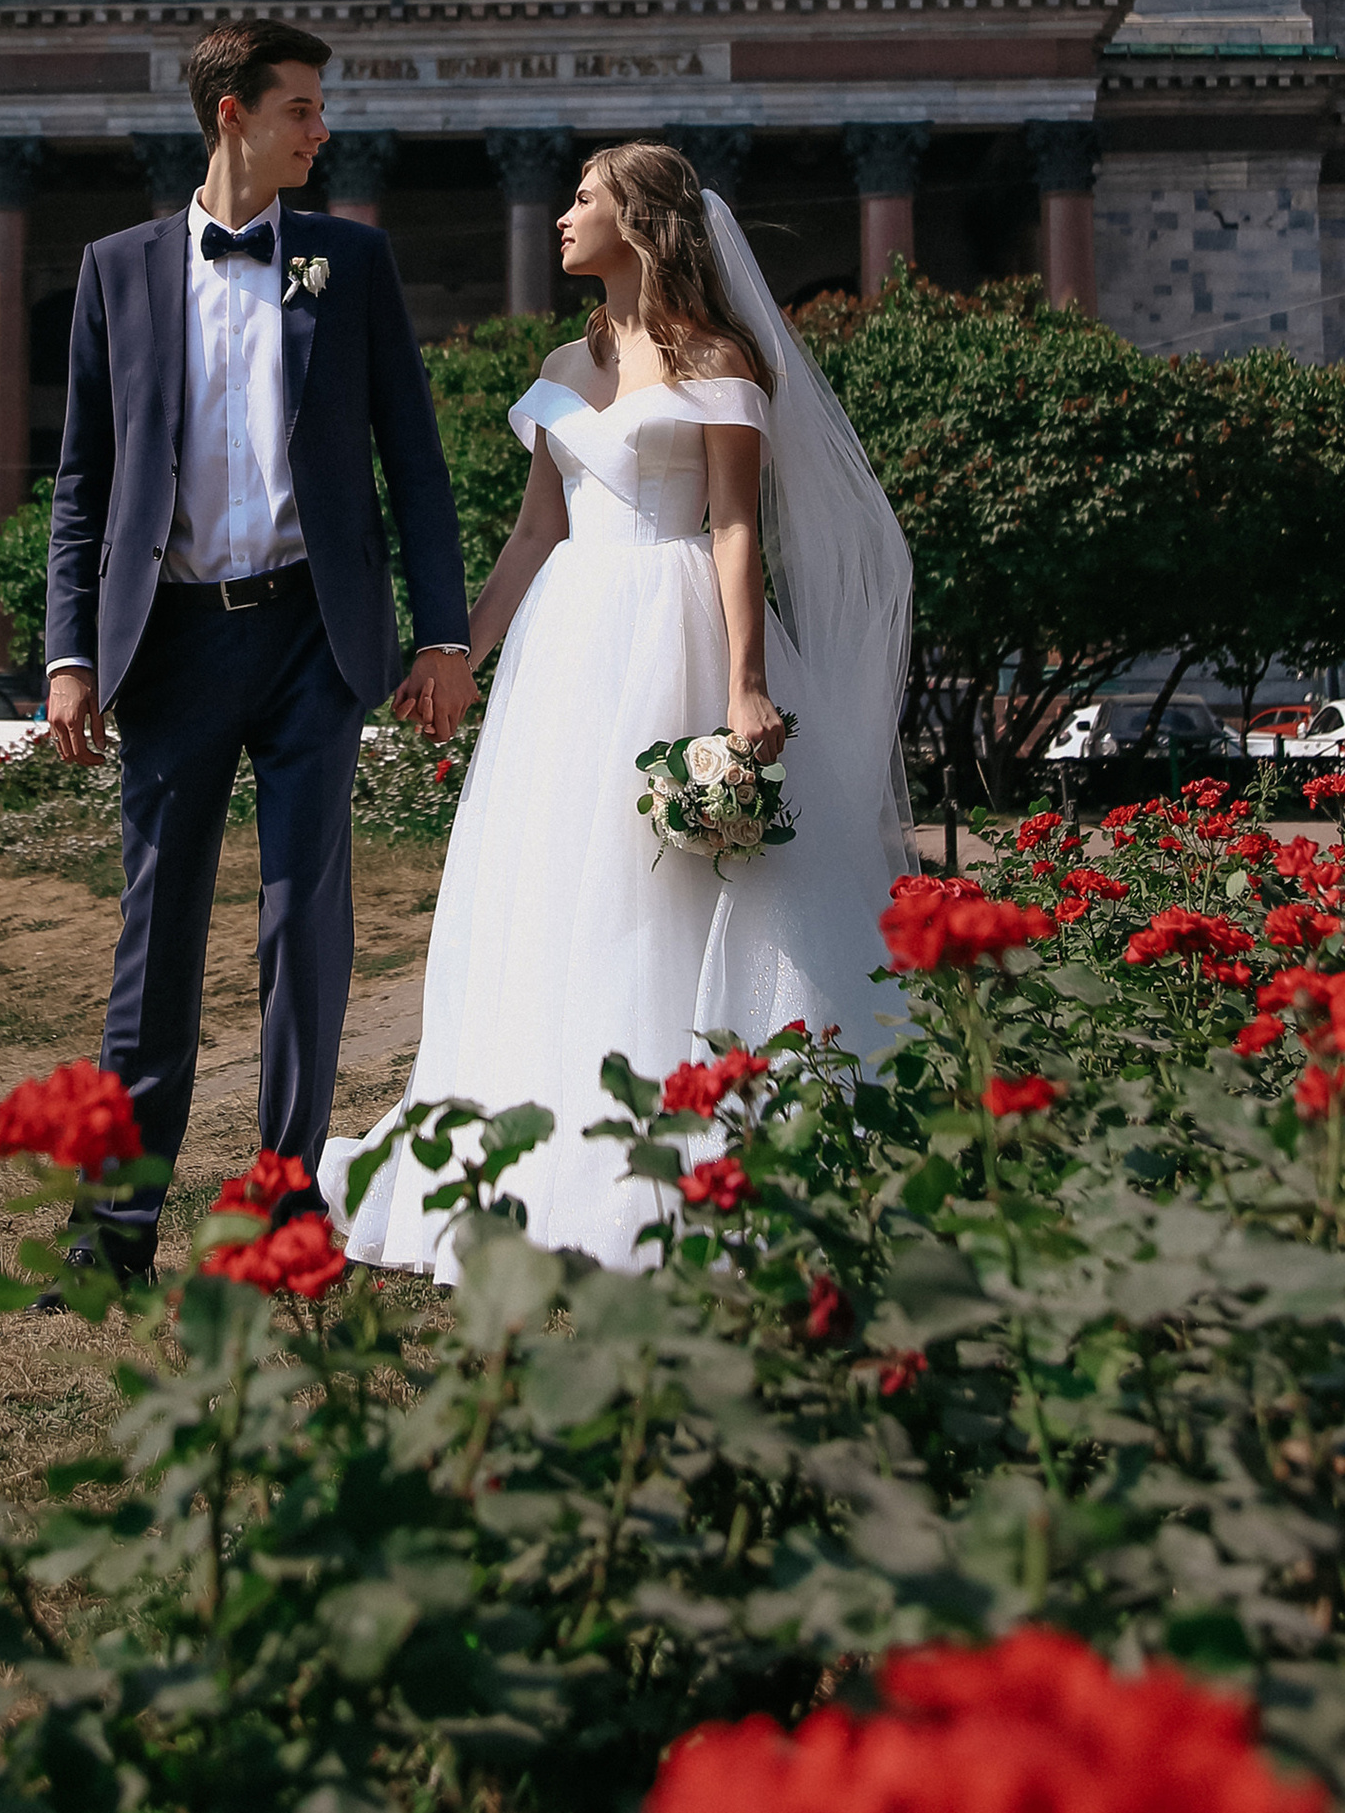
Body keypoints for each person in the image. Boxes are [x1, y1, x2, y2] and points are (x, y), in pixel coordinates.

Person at [324, 142, 914, 1274]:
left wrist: (745, 682)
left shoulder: (718, 358)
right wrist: (457, 652)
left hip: (675, 622)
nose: (561, 218)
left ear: (639, 223)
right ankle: (540, 1157)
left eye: (583, 200)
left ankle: (700, 1147)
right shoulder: (563, 357)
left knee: (676, 883)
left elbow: (735, 526)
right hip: (568, 639)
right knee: (555, 880)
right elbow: (537, 529)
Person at [46, 21, 472, 1281]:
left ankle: (284, 1208)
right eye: (299, 110)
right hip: (169, 646)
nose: (320, 129)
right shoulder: (114, 271)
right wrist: (71, 653)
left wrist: (442, 634)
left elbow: (415, 464)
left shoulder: (349, 264)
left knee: (303, 929)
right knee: (155, 934)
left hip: (309, 638)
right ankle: (118, 1223)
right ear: (231, 114)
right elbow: (81, 482)